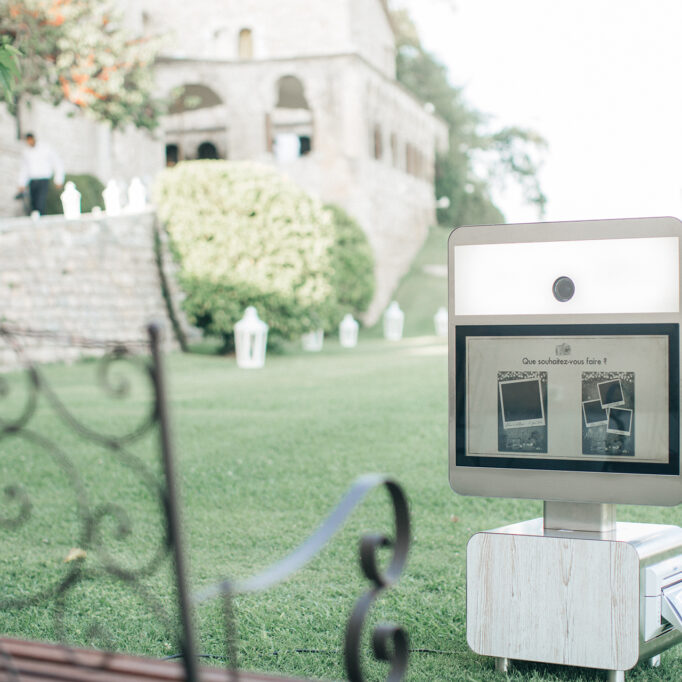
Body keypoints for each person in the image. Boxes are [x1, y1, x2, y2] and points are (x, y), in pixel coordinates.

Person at [16, 133, 65, 215]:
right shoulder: (26, 152)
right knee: (33, 202)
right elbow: (24, 169)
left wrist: (59, 179)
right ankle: (36, 220)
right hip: (32, 180)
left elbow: (57, 163)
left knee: (40, 202)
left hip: (43, 179)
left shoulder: (45, 148)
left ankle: (41, 218)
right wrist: (22, 183)